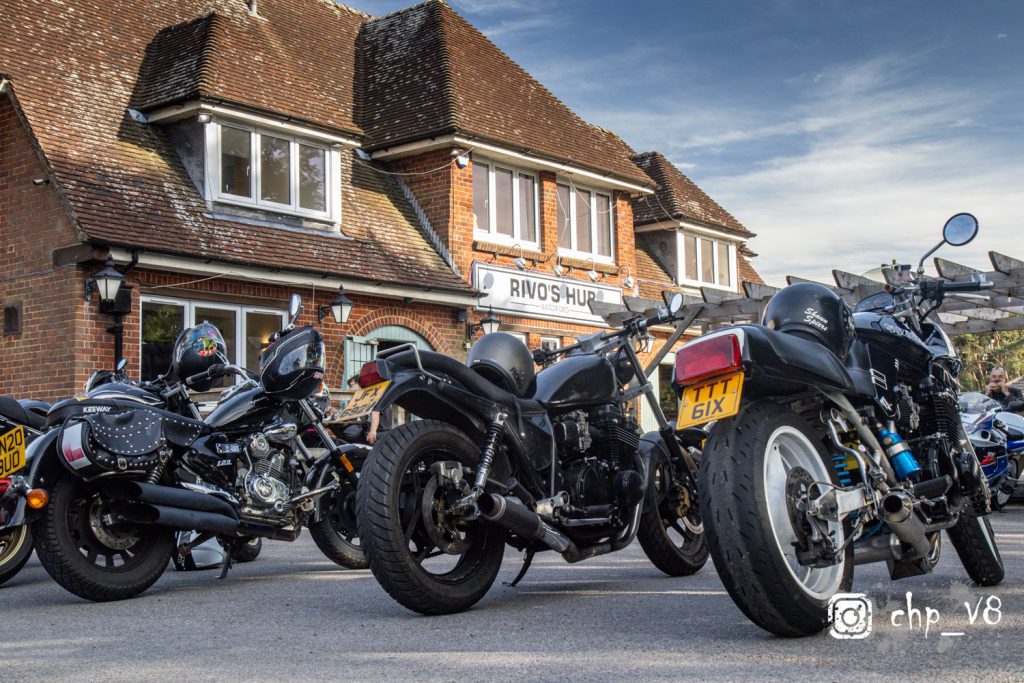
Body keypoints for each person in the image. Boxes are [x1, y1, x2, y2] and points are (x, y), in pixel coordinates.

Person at [345, 375, 393, 445]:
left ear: (359, 384)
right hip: (374, 433)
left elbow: (375, 412)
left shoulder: (374, 395)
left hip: (381, 433)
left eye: (351, 386)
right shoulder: (365, 398)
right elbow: (364, 420)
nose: (349, 389)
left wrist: (372, 432)